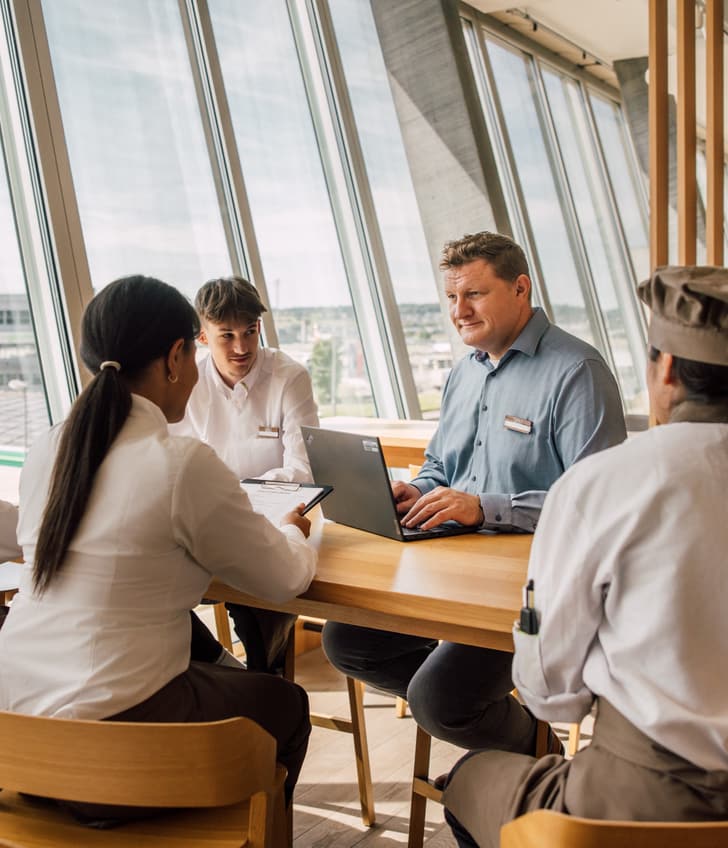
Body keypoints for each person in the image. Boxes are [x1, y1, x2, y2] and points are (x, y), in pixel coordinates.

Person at [0, 275, 317, 817]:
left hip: (16, 734)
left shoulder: (50, 446)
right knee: (285, 704)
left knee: (202, 661)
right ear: (176, 356)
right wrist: (291, 528)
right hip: (105, 764)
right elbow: (286, 579)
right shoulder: (180, 464)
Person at [443, 265, 728, 847]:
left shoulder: (605, 483)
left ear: (665, 368)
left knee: (467, 780)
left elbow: (552, 697)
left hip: (640, 800)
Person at [323, 231, 626, 758]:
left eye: (475, 295)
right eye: (450, 298)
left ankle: (541, 765)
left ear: (521, 288)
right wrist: (414, 492)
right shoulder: (464, 372)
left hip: (534, 589)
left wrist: (485, 507)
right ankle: (491, 733)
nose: (458, 311)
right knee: (348, 641)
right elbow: (442, 465)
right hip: (455, 569)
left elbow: (598, 504)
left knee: (439, 697)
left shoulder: (578, 372)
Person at [170, 276, 319, 673]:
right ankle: (222, 676)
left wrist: (234, 495)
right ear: (202, 336)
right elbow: (174, 464)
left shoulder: (289, 376)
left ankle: (265, 685)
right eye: (227, 335)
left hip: (276, 519)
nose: (242, 347)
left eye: (250, 332)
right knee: (158, 592)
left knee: (263, 610)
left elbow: (303, 470)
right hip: (205, 522)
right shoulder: (186, 379)